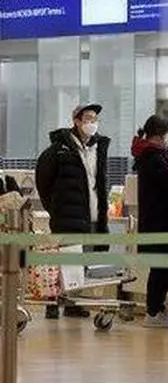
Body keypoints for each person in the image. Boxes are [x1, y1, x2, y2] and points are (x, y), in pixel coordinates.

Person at [36, 103, 110, 320]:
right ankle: (53, 303)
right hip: (67, 216)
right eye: (88, 118)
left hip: (92, 215)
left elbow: (99, 182)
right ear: (76, 121)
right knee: (63, 261)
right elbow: (43, 182)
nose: (92, 123)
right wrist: (56, 209)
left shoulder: (98, 148)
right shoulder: (58, 150)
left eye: (95, 119)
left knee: (82, 262)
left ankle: (73, 303)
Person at [132, 115, 168, 328]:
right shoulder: (154, 158)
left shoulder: (148, 155)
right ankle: (153, 311)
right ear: (159, 136)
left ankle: (155, 309)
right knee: (165, 266)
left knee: (163, 266)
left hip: (155, 221)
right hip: (160, 222)